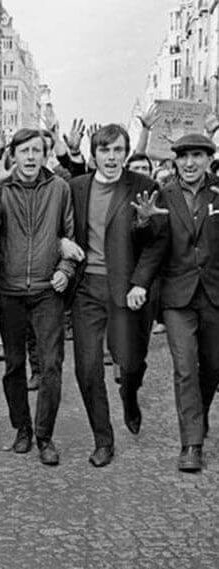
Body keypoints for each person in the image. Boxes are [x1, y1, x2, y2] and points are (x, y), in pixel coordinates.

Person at [0, 128, 77, 466]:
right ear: (14, 155)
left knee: (51, 365)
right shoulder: (1, 188)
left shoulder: (60, 189)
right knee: (13, 365)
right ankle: (21, 427)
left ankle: (44, 435)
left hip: (47, 290)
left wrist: (65, 269)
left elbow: (70, 233)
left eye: (36, 150)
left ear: (44, 154)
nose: (31, 157)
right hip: (9, 290)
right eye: (24, 151)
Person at [66, 124, 158, 468]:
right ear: (94, 154)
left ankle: (130, 394)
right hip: (87, 288)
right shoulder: (76, 187)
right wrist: (63, 242)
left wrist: (140, 283)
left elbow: (156, 243)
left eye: (118, 150)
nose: (111, 157)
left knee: (130, 363)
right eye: (104, 150)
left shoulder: (144, 188)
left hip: (126, 289)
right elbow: (62, 221)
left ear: (127, 153)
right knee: (88, 369)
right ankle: (103, 439)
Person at [128, 133, 219, 472]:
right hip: (178, 297)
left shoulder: (218, 192)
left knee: (212, 367)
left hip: (214, 294)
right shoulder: (162, 196)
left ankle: (201, 414)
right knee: (185, 368)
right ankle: (191, 444)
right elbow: (151, 246)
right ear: (175, 161)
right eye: (183, 157)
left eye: (197, 156)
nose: (190, 163)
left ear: (209, 159)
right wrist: (145, 222)